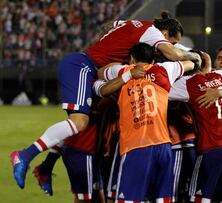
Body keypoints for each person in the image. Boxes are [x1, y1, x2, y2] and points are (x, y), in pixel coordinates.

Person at [10, 12, 201, 191]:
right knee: (80, 122)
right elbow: (174, 55)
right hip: (84, 66)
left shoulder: (131, 24)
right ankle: (24, 156)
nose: (173, 46)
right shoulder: (151, 31)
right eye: (172, 41)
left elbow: (109, 25)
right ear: (165, 33)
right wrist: (195, 56)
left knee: (87, 121)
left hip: (88, 68)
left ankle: (45, 166)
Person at [97, 43, 195, 202]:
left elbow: (101, 73)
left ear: (132, 59)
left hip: (136, 146)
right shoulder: (165, 69)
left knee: (128, 199)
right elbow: (190, 63)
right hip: (163, 146)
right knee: (163, 199)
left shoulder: (124, 71)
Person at [169, 51, 222, 202]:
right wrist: (219, 91)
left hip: (212, 148)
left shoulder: (186, 83)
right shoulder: (219, 76)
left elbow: (159, 90)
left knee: (199, 198)